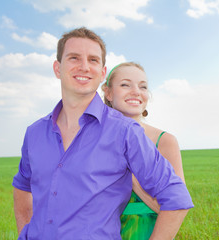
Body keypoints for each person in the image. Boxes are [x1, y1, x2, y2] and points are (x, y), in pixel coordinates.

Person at [12, 27, 193, 240]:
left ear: (102, 73)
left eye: (93, 60)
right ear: (57, 68)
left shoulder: (125, 131)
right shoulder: (34, 133)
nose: (84, 67)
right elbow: (23, 187)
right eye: (74, 58)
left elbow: (176, 198)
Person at [101, 62, 186, 239]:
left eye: (143, 86)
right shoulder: (94, 140)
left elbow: (176, 206)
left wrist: (131, 176)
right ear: (108, 92)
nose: (136, 91)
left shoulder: (164, 141)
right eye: (125, 84)